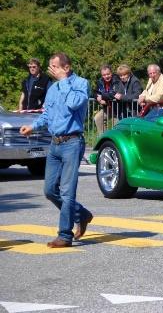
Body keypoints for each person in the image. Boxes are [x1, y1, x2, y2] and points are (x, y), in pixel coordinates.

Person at [20, 52, 93, 248]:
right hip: (55, 144)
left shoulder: (81, 83)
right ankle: (82, 214)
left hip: (72, 142)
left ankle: (65, 235)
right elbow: (47, 114)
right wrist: (33, 126)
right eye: (50, 66)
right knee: (50, 190)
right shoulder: (52, 88)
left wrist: (64, 81)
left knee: (67, 192)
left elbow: (74, 103)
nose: (51, 69)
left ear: (66, 67)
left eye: (55, 66)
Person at [93, 65, 121, 134]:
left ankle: (115, 143)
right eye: (104, 75)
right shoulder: (100, 81)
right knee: (98, 118)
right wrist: (98, 99)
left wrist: (102, 97)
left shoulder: (117, 80)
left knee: (117, 128)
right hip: (107, 108)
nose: (106, 76)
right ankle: (104, 139)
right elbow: (94, 92)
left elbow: (114, 94)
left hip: (117, 109)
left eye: (108, 74)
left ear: (111, 73)